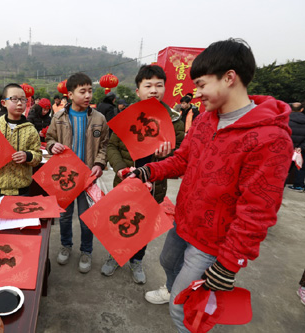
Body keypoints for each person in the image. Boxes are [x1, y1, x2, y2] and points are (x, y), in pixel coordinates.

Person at [130, 38, 293, 331]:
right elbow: (182, 161)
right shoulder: (206, 120)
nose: (197, 92)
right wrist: (146, 172)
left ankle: (181, 304)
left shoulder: (270, 139)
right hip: (185, 221)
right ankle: (173, 286)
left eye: (202, 84)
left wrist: (229, 264)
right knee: (167, 262)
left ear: (230, 77)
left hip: (214, 242)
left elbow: (258, 211)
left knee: (182, 311)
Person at [101, 65, 185, 284]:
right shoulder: (126, 117)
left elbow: (182, 156)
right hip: (126, 181)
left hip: (155, 185)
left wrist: (170, 154)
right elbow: (112, 147)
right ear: (138, 91)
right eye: (148, 85)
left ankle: (137, 260)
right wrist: (119, 167)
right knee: (120, 220)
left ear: (165, 89)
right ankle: (115, 256)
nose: (154, 90)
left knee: (144, 225)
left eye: (159, 85)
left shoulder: (175, 120)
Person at [46, 72, 109, 273]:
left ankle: (86, 251)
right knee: (64, 216)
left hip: (88, 178)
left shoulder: (99, 118)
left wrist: (99, 163)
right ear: (70, 94)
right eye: (82, 91)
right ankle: (66, 246)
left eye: (90, 91)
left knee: (86, 216)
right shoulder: (59, 117)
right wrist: (52, 145)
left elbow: (105, 145)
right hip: (65, 177)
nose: (88, 95)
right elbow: (49, 138)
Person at [288, 101, 305, 191]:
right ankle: (298, 185)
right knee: (301, 167)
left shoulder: (285, 119)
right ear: (302, 109)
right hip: (300, 149)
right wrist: (300, 147)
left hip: (286, 147)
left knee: (284, 168)